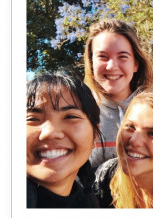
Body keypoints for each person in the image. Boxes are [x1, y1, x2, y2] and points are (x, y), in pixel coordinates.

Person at [84, 18, 153, 169]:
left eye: (122, 56)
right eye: (102, 56)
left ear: (135, 64)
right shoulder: (79, 112)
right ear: (91, 63)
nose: (112, 66)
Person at [26, 70, 101, 208]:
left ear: (95, 135)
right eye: (32, 119)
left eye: (70, 117)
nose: (50, 133)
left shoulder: (89, 203)